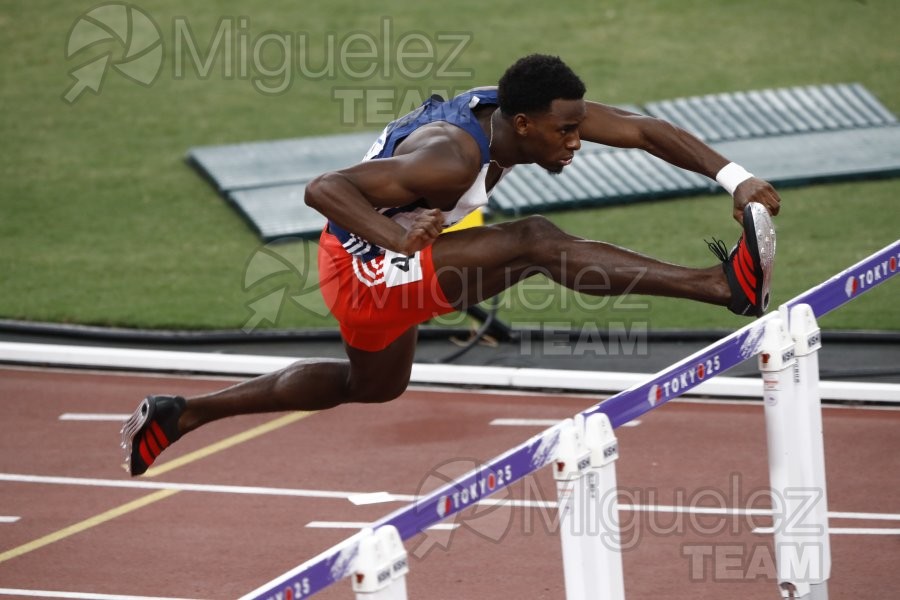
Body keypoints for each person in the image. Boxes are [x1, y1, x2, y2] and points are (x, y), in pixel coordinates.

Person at [121, 54, 780, 476]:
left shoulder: (512, 112)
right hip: (364, 271)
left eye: (579, 127)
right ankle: (723, 287)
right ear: (524, 124)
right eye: (566, 132)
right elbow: (324, 188)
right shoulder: (450, 158)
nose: (578, 141)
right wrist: (397, 236)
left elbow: (639, 128)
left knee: (373, 385)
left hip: (386, 261)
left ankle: (183, 414)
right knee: (534, 241)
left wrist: (737, 179)